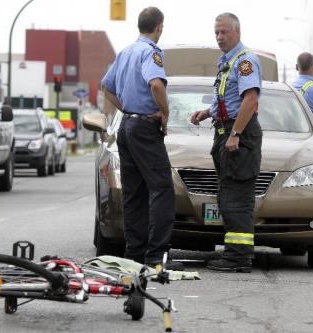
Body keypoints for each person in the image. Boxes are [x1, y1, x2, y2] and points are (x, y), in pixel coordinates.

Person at [100, 7, 184, 271]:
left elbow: (106, 86)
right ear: (159, 26)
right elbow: (156, 84)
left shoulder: (125, 52)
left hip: (127, 127)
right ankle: (156, 256)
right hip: (145, 127)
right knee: (162, 189)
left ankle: (134, 253)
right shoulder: (151, 52)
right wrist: (165, 112)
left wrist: (126, 107)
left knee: (134, 192)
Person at [190, 13, 262, 273]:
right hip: (225, 130)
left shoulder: (245, 62)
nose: (219, 37)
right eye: (216, 33)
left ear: (237, 32)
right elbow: (229, 99)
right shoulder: (226, 62)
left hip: (237, 133)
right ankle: (233, 254)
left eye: (224, 32)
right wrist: (207, 113)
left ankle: (239, 257)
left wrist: (236, 134)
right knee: (228, 196)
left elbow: (250, 100)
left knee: (238, 199)